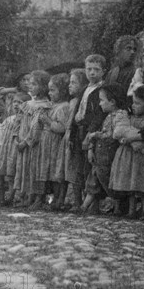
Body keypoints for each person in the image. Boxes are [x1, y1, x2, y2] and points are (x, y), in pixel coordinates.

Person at [109, 86, 144, 219]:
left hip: (142, 156)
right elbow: (121, 131)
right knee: (130, 181)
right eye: (133, 102)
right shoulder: (128, 118)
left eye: (137, 103)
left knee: (142, 181)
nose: (133, 106)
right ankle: (131, 209)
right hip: (128, 155)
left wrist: (133, 138)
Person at [80, 84, 126, 215]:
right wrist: (91, 148)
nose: (100, 104)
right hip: (99, 155)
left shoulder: (120, 115)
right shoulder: (106, 115)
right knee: (94, 179)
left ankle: (118, 206)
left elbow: (114, 135)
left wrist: (96, 135)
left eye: (101, 100)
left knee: (110, 180)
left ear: (112, 102)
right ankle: (85, 205)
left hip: (110, 155)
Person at [30, 73, 71, 210]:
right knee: (42, 170)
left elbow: (62, 128)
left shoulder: (63, 107)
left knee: (54, 172)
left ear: (63, 91)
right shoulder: (51, 105)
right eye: (49, 89)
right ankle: (40, 198)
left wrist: (47, 121)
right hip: (44, 143)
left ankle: (57, 200)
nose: (50, 93)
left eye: (53, 90)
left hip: (54, 145)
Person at [71, 55, 107, 203]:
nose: (92, 73)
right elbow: (77, 111)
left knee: (90, 166)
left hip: (90, 130)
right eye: (89, 69)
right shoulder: (85, 89)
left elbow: (99, 114)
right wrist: (73, 132)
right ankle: (79, 201)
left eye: (96, 70)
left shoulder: (102, 89)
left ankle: (93, 203)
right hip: (79, 129)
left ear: (103, 71)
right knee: (79, 167)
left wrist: (90, 132)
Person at [14, 70, 52, 207]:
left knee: (36, 169)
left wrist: (26, 142)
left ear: (43, 87)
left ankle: (38, 198)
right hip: (23, 140)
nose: (30, 86)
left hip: (35, 143)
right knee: (25, 169)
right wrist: (17, 137)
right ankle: (27, 196)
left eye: (34, 84)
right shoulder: (27, 104)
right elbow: (18, 121)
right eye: (29, 83)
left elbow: (36, 127)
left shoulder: (44, 106)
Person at [0, 93, 31, 206]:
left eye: (20, 103)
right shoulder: (9, 119)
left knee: (15, 172)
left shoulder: (26, 119)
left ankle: (16, 196)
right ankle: (6, 196)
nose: (16, 105)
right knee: (6, 172)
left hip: (17, 148)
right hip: (7, 149)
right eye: (15, 102)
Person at [63, 69, 88, 210]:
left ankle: (84, 201)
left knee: (81, 169)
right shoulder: (72, 102)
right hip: (71, 137)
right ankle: (77, 201)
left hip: (80, 136)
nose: (70, 85)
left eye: (74, 82)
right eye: (69, 82)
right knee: (74, 170)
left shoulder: (80, 101)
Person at [107, 36, 139, 101]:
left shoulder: (136, 73)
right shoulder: (112, 73)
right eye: (128, 48)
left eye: (134, 49)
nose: (132, 52)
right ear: (119, 51)